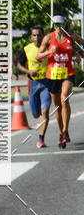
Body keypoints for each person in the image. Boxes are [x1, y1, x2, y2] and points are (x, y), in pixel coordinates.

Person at [36, 15, 84, 149]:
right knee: (57, 106)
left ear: (65, 24)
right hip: (52, 75)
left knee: (64, 97)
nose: (58, 27)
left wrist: (79, 55)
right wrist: (49, 52)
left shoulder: (72, 37)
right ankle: (62, 132)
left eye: (60, 24)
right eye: (56, 24)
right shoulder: (48, 38)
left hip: (67, 73)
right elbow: (38, 57)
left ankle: (64, 132)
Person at [17, 26, 51, 148]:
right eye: (34, 35)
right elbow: (19, 65)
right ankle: (39, 120)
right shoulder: (27, 49)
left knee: (45, 111)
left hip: (47, 84)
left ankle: (41, 138)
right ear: (31, 37)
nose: (37, 38)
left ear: (43, 36)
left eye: (39, 35)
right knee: (36, 114)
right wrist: (28, 71)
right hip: (33, 84)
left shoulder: (49, 48)